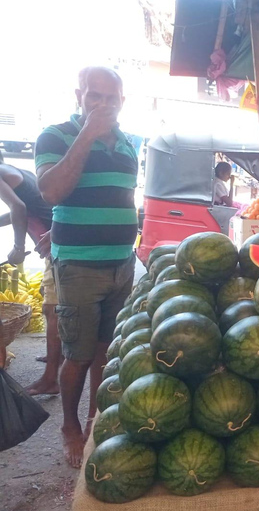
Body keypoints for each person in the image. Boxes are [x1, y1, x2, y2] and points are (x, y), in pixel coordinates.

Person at [35, 67, 138, 468]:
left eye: (111, 98)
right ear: (79, 95)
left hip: (121, 264)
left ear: (122, 102)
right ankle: (70, 427)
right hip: (79, 265)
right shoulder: (56, 135)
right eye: (95, 96)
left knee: (104, 352)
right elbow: (51, 190)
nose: (103, 104)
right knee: (75, 354)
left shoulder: (128, 143)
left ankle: (97, 419)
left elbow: (118, 196)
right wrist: (87, 135)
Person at [0, 153, 61, 395]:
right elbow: (23, 209)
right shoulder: (11, 170)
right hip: (56, 240)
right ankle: (57, 355)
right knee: (53, 304)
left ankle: (51, 380)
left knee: (53, 308)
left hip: (57, 244)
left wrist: (18, 248)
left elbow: (19, 207)